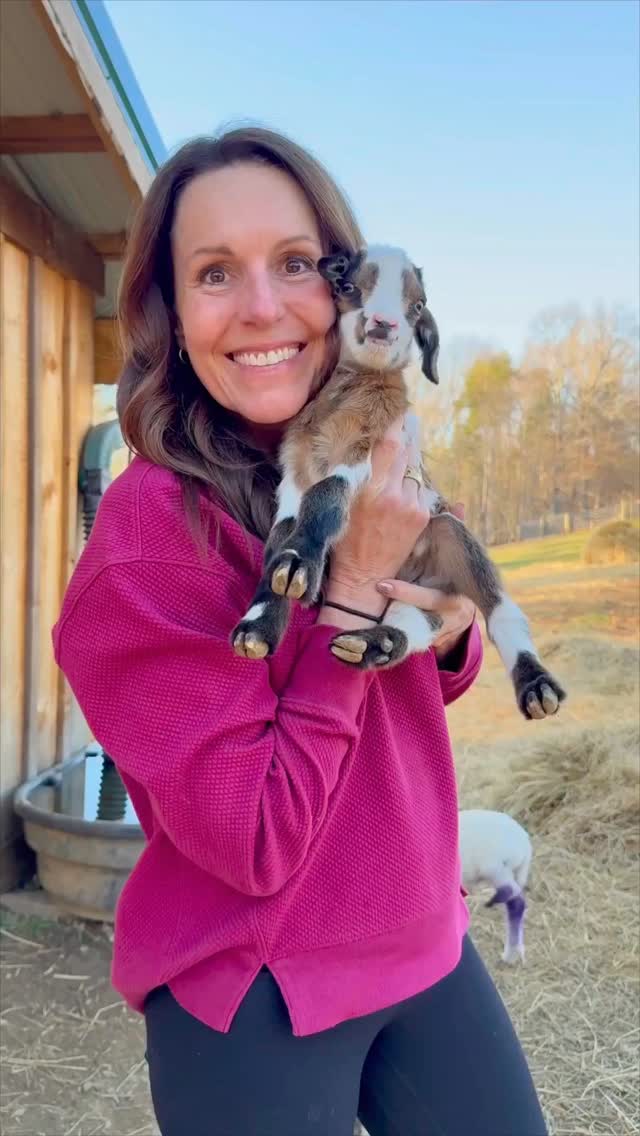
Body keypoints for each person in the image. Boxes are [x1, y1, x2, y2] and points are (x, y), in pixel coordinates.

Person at [53, 127, 548, 1136]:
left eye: (294, 264)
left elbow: (410, 697)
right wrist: (356, 586)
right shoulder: (151, 537)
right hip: (257, 986)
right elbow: (259, 839)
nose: (265, 306)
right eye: (215, 272)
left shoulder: (364, 451)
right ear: (169, 311)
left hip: (421, 932)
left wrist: (442, 627)